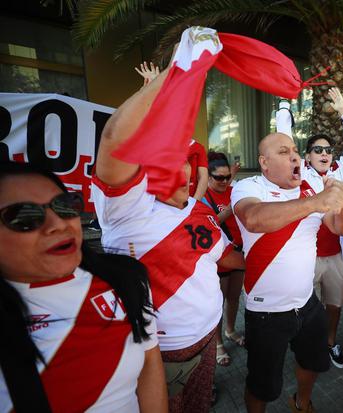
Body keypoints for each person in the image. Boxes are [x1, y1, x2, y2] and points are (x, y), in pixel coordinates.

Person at [93, 63, 245, 412]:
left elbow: (223, 257)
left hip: (207, 338)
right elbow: (115, 139)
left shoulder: (199, 208)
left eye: (179, 156)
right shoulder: (126, 208)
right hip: (158, 354)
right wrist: (174, 73)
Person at [0, 162, 167, 413]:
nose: (59, 224)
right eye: (24, 216)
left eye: (64, 206)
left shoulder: (126, 276)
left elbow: (149, 358)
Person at [231, 131, 343, 413]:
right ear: (264, 162)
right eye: (284, 152)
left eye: (296, 152)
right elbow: (253, 219)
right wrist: (316, 201)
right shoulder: (248, 186)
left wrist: (340, 202)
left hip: (307, 302)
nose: (295, 156)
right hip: (266, 311)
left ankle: (302, 403)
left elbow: (341, 229)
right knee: (262, 385)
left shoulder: (311, 185)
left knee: (313, 363)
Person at [278, 87, 343, 369]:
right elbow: (283, 141)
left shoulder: (339, 175)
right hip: (305, 257)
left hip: (335, 258)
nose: (325, 153)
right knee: (304, 305)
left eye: (328, 150)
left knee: (335, 304)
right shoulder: (299, 174)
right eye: (318, 150)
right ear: (306, 156)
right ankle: (308, 344)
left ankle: (329, 342)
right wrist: (282, 103)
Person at [201, 152, 245, 366]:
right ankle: (217, 343)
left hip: (239, 252)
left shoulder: (234, 190)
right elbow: (209, 225)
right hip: (219, 257)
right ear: (208, 178)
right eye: (219, 178)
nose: (224, 181)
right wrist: (231, 209)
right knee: (218, 302)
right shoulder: (203, 198)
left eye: (227, 177)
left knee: (235, 297)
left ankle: (230, 330)